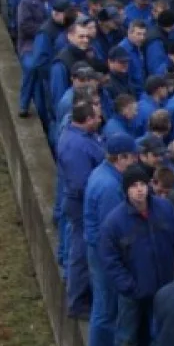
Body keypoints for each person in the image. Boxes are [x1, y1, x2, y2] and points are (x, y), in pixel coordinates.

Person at [98, 163, 174, 346]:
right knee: (126, 340)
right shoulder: (114, 222)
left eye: (142, 184)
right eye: (133, 186)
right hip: (134, 294)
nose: (138, 190)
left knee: (160, 340)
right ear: (125, 191)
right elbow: (109, 261)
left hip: (163, 290)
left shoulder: (165, 210)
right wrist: (129, 287)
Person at [82, 131, 139, 346]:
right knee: (105, 310)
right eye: (132, 157)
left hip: (98, 251)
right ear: (121, 158)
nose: (135, 161)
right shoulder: (109, 186)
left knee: (103, 307)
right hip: (103, 254)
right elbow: (111, 230)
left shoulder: (105, 175)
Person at [56, 100, 104, 319]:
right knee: (81, 252)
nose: (100, 119)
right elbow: (80, 184)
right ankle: (77, 301)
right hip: (81, 205)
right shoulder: (76, 145)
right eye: (96, 117)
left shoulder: (80, 137)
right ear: (87, 120)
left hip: (80, 202)